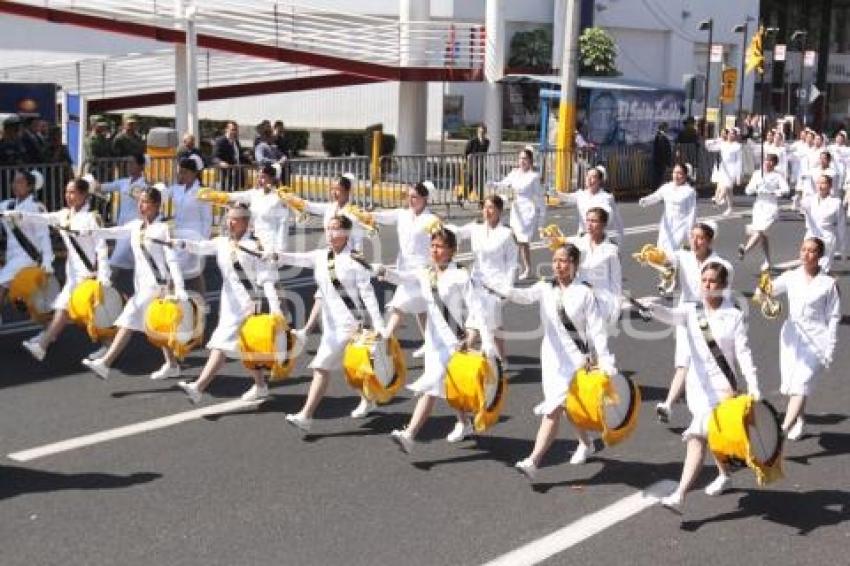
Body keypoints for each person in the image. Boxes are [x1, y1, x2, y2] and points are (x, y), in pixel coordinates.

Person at [486, 243, 616, 478]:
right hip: (551, 358)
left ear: (575, 264)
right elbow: (523, 296)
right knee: (566, 407)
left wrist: (604, 359)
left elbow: (597, 329)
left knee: (554, 408)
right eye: (555, 260)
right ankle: (586, 444)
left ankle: (534, 460)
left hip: (577, 360)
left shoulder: (585, 292)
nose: (558, 265)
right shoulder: (546, 287)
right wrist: (498, 286)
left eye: (564, 261)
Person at [644, 262, 761, 509]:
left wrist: (753, 384)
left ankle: (680, 493)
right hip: (697, 386)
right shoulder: (690, 310)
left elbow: (744, 354)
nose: (706, 285)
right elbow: (671, 316)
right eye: (704, 280)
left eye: (712, 281)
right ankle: (725, 475)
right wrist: (653, 308)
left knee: (697, 436)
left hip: (722, 388)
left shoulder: (734, 317)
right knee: (713, 435)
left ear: (724, 286)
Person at [378, 228, 494, 452]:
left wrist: (472, 334)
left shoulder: (460, 275)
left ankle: (410, 434)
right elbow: (404, 278)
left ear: (451, 250)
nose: (435, 250)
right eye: (432, 246)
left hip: (454, 341)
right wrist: (383, 271)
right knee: (448, 386)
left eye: (440, 246)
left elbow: (476, 308)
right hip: (433, 339)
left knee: (431, 385)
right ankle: (464, 422)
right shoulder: (426, 272)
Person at [277, 215, 386, 431]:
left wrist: (380, 325)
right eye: (327, 229)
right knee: (351, 368)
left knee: (321, 367)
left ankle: (306, 415)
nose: (330, 233)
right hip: (331, 325)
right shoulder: (321, 256)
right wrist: (275, 255)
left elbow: (368, 295)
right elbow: (297, 258)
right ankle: (369, 399)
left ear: (346, 233)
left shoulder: (355, 260)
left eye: (335, 229)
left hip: (350, 325)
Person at [175, 204, 285, 404]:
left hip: (248, 304)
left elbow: (267, 279)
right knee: (246, 347)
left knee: (221, 343)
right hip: (229, 302)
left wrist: (276, 310)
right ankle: (260, 386)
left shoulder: (254, 247)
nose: (229, 222)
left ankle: (198, 387)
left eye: (235, 219)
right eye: (228, 218)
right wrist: (182, 244)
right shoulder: (223, 242)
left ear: (246, 223)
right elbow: (201, 247)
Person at [81, 186, 189, 381]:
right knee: (155, 326)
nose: (141, 205)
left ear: (157, 205)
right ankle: (172, 365)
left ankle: (105, 363)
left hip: (158, 286)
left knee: (128, 317)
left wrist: (179, 288)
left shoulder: (164, 229)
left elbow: (172, 260)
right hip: (141, 284)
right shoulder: (135, 226)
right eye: (140, 201)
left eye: (146, 201)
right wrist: (91, 231)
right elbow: (114, 232)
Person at [17, 178, 110, 361]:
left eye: (73, 192)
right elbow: (43, 218)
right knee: (65, 308)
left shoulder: (92, 218)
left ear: (83, 194)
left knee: (87, 316)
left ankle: (107, 345)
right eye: (67, 192)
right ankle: (44, 343)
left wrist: (104, 276)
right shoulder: (64, 215)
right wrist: (18, 215)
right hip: (73, 275)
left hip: (89, 275)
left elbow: (102, 247)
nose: (68, 196)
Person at [654, 222, 730, 423]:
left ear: (710, 240)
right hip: (685, 313)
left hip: (708, 315)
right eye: (692, 236)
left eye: (700, 237)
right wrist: (654, 256)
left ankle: (718, 403)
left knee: (709, 361)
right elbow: (666, 260)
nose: (694, 241)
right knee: (684, 361)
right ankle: (668, 405)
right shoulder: (683, 256)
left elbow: (724, 293)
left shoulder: (719, 264)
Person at [769, 237, 840, 441]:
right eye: (803, 250)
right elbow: (765, 292)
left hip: (817, 340)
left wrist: (830, 349)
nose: (806, 254)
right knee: (794, 384)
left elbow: (833, 318)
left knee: (801, 382)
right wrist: (765, 296)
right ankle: (799, 421)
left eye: (811, 251)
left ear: (820, 255)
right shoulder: (791, 276)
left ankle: (781, 432)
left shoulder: (828, 284)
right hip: (791, 336)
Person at [371, 182, 439, 358]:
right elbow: (381, 217)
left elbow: (440, 243)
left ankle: (384, 339)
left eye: (414, 196)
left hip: (421, 271)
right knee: (421, 309)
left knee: (399, 305)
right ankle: (431, 344)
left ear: (425, 198)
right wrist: (363, 215)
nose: (410, 199)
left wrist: (437, 268)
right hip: (404, 267)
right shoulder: (402, 214)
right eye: (408, 195)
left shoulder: (431, 220)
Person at [446, 194, 517, 361]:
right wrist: (439, 226)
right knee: (491, 322)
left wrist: (507, 288)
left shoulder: (506, 233)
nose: (487, 211)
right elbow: (457, 232)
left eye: (491, 207)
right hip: (476, 283)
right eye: (485, 207)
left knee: (484, 321)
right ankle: (501, 359)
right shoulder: (476, 227)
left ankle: (467, 349)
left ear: (499, 211)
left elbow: (512, 262)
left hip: (496, 286)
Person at [0, 170, 53, 318]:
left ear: (30, 187)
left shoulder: (36, 208)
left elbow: (44, 236)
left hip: (28, 260)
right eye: (14, 181)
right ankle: (49, 330)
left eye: (20, 182)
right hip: (12, 258)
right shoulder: (8, 205)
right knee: (30, 305)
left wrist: (47, 262)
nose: (14, 185)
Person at [162, 155, 213, 293]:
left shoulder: (202, 192)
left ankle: (202, 304)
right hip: (179, 235)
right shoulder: (177, 189)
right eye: (180, 171)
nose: (181, 175)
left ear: (194, 173)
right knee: (174, 269)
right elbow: (161, 194)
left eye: (184, 172)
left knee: (195, 274)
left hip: (195, 237)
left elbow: (207, 219)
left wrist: (203, 242)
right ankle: (173, 300)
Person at [494, 148, 545, 279]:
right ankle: (520, 267)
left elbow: (539, 197)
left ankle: (526, 269)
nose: (522, 161)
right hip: (515, 210)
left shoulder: (534, 177)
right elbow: (504, 183)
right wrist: (493, 184)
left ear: (530, 161)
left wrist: (541, 221)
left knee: (522, 241)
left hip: (527, 211)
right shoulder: (514, 173)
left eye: (525, 158)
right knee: (515, 240)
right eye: (520, 158)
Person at [738, 154, 791, 270]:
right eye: (766, 160)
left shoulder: (777, 176)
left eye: (771, 161)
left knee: (761, 230)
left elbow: (786, 189)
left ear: (775, 164)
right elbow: (748, 190)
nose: (768, 163)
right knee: (762, 235)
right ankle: (767, 260)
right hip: (759, 206)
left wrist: (774, 191)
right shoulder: (757, 174)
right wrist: (756, 186)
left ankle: (745, 250)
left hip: (770, 206)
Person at [98, 154, 147, 277]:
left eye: (132, 163)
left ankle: (105, 286)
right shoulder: (123, 182)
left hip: (135, 227)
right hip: (121, 226)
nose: (129, 166)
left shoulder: (145, 185)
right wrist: (88, 183)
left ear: (141, 166)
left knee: (116, 260)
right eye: (128, 163)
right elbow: (103, 187)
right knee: (136, 262)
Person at [226, 163, 291, 253]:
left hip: (270, 242)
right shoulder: (255, 194)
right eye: (258, 177)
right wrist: (217, 195)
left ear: (272, 179)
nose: (259, 180)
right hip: (254, 241)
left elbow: (283, 224)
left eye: (263, 177)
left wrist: (280, 249)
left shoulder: (279, 198)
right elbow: (236, 196)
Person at [574, 207, 622, 328]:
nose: (589, 225)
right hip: (580, 300)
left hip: (602, 303)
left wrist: (616, 308)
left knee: (597, 343)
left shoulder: (612, 249)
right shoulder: (578, 243)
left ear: (603, 224)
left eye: (594, 221)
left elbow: (616, 282)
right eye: (587, 220)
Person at [638, 162, 697, 254]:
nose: (676, 176)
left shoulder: (689, 192)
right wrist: (645, 200)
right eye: (674, 172)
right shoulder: (667, 187)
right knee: (662, 249)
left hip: (681, 226)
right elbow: (656, 196)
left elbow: (692, 213)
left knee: (675, 252)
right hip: (666, 225)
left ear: (685, 175)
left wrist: (690, 232)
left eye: (679, 173)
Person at [557, 165, 625, 244]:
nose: (589, 179)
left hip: (597, 238)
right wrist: (554, 193)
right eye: (587, 176)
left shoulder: (606, 198)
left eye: (593, 177)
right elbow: (566, 197)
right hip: (581, 236)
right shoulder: (581, 194)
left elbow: (616, 220)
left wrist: (619, 242)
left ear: (600, 180)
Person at [800, 174, 843, 273]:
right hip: (811, 235)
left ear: (830, 185)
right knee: (807, 266)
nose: (820, 186)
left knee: (823, 269)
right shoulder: (810, 200)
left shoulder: (836, 202)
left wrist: (843, 247)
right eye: (818, 183)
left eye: (823, 183)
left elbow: (841, 225)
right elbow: (802, 206)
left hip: (827, 237)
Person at [706, 128, 742, 216]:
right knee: (729, 191)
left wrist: (738, 176)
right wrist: (716, 140)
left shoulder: (737, 146)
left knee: (726, 186)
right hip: (723, 168)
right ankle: (730, 208)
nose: (731, 135)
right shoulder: (723, 144)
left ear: (736, 136)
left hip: (732, 168)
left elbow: (739, 161)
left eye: (733, 134)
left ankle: (718, 201)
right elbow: (709, 147)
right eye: (729, 133)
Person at [212, 121, 244, 191]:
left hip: (237, 175)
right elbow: (215, 157)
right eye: (232, 130)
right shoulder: (220, 141)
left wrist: (252, 162)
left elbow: (241, 156)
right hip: (225, 174)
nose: (234, 132)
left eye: (236, 130)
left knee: (236, 194)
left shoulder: (236, 142)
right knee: (226, 195)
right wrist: (221, 163)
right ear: (226, 129)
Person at [462, 124, 490, 204]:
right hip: (471, 163)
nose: (482, 133)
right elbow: (466, 152)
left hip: (480, 163)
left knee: (479, 181)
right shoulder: (472, 141)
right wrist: (468, 159)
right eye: (480, 131)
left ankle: (480, 199)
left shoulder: (487, 141)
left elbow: (485, 152)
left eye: (483, 132)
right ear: (477, 131)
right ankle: (464, 197)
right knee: (469, 180)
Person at [652, 122, 673, 190]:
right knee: (659, 177)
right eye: (666, 127)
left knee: (659, 177)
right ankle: (657, 191)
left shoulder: (660, 136)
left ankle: (657, 190)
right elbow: (663, 150)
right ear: (663, 128)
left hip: (659, 161)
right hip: (661, 161)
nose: (667, 129)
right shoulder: (661, 137)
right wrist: (667, 161)